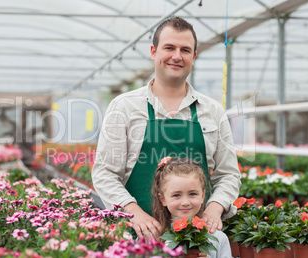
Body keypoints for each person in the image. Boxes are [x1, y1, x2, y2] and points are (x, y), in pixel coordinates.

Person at [92, 16, 241, 240]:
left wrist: (215, 207)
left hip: (199, 236)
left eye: (185, 50)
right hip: (138, 235)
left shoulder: (212, 111)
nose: (176, 56)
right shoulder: (124, 107)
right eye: (169, 48)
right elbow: (105, 173)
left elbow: (228, 174)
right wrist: (134, 214)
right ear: (154, 52)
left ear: (194, 56)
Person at [152, 157, 231, 258]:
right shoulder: (151, 237)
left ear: (202, 196)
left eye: (192, 194)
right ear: (162, 199)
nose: (185, 202)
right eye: (176, 195)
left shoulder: (217, 238)